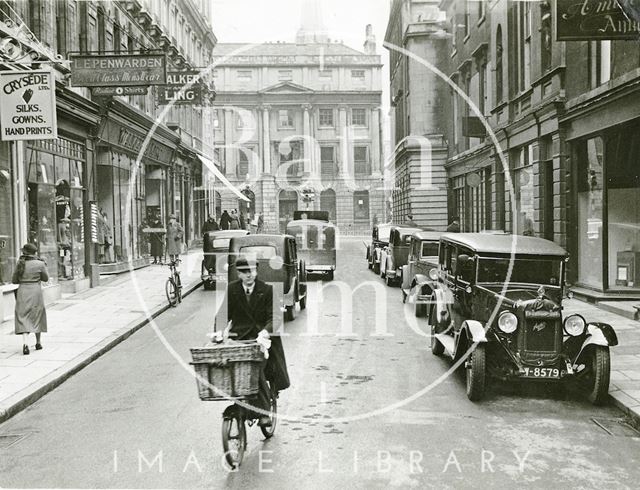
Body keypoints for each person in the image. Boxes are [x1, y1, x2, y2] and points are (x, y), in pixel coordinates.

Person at [222, 257, 290, 426]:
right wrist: (217, 331)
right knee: (230, 369)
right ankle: (241, 403)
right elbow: (223, 314)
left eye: (251, 271)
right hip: (240, 340)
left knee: (255, 369)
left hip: (262, 341)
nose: (249, 275)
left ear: (256, 271)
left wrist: (266, 332)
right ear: (238, 273)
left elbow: (275, 316)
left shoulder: (267, 290)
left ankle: (264, 411)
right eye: (244, 272)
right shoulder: (232, 289)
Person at [12, 243, 48, 355]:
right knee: (37, 314)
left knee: (23, 316)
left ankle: (25, 344)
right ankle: (38, 343)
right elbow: (45, 279)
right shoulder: (40, 264)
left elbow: (14, 280)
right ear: (35, 253)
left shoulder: (20, 264)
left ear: (24, 252)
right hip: (35, 291)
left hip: (23, 291)